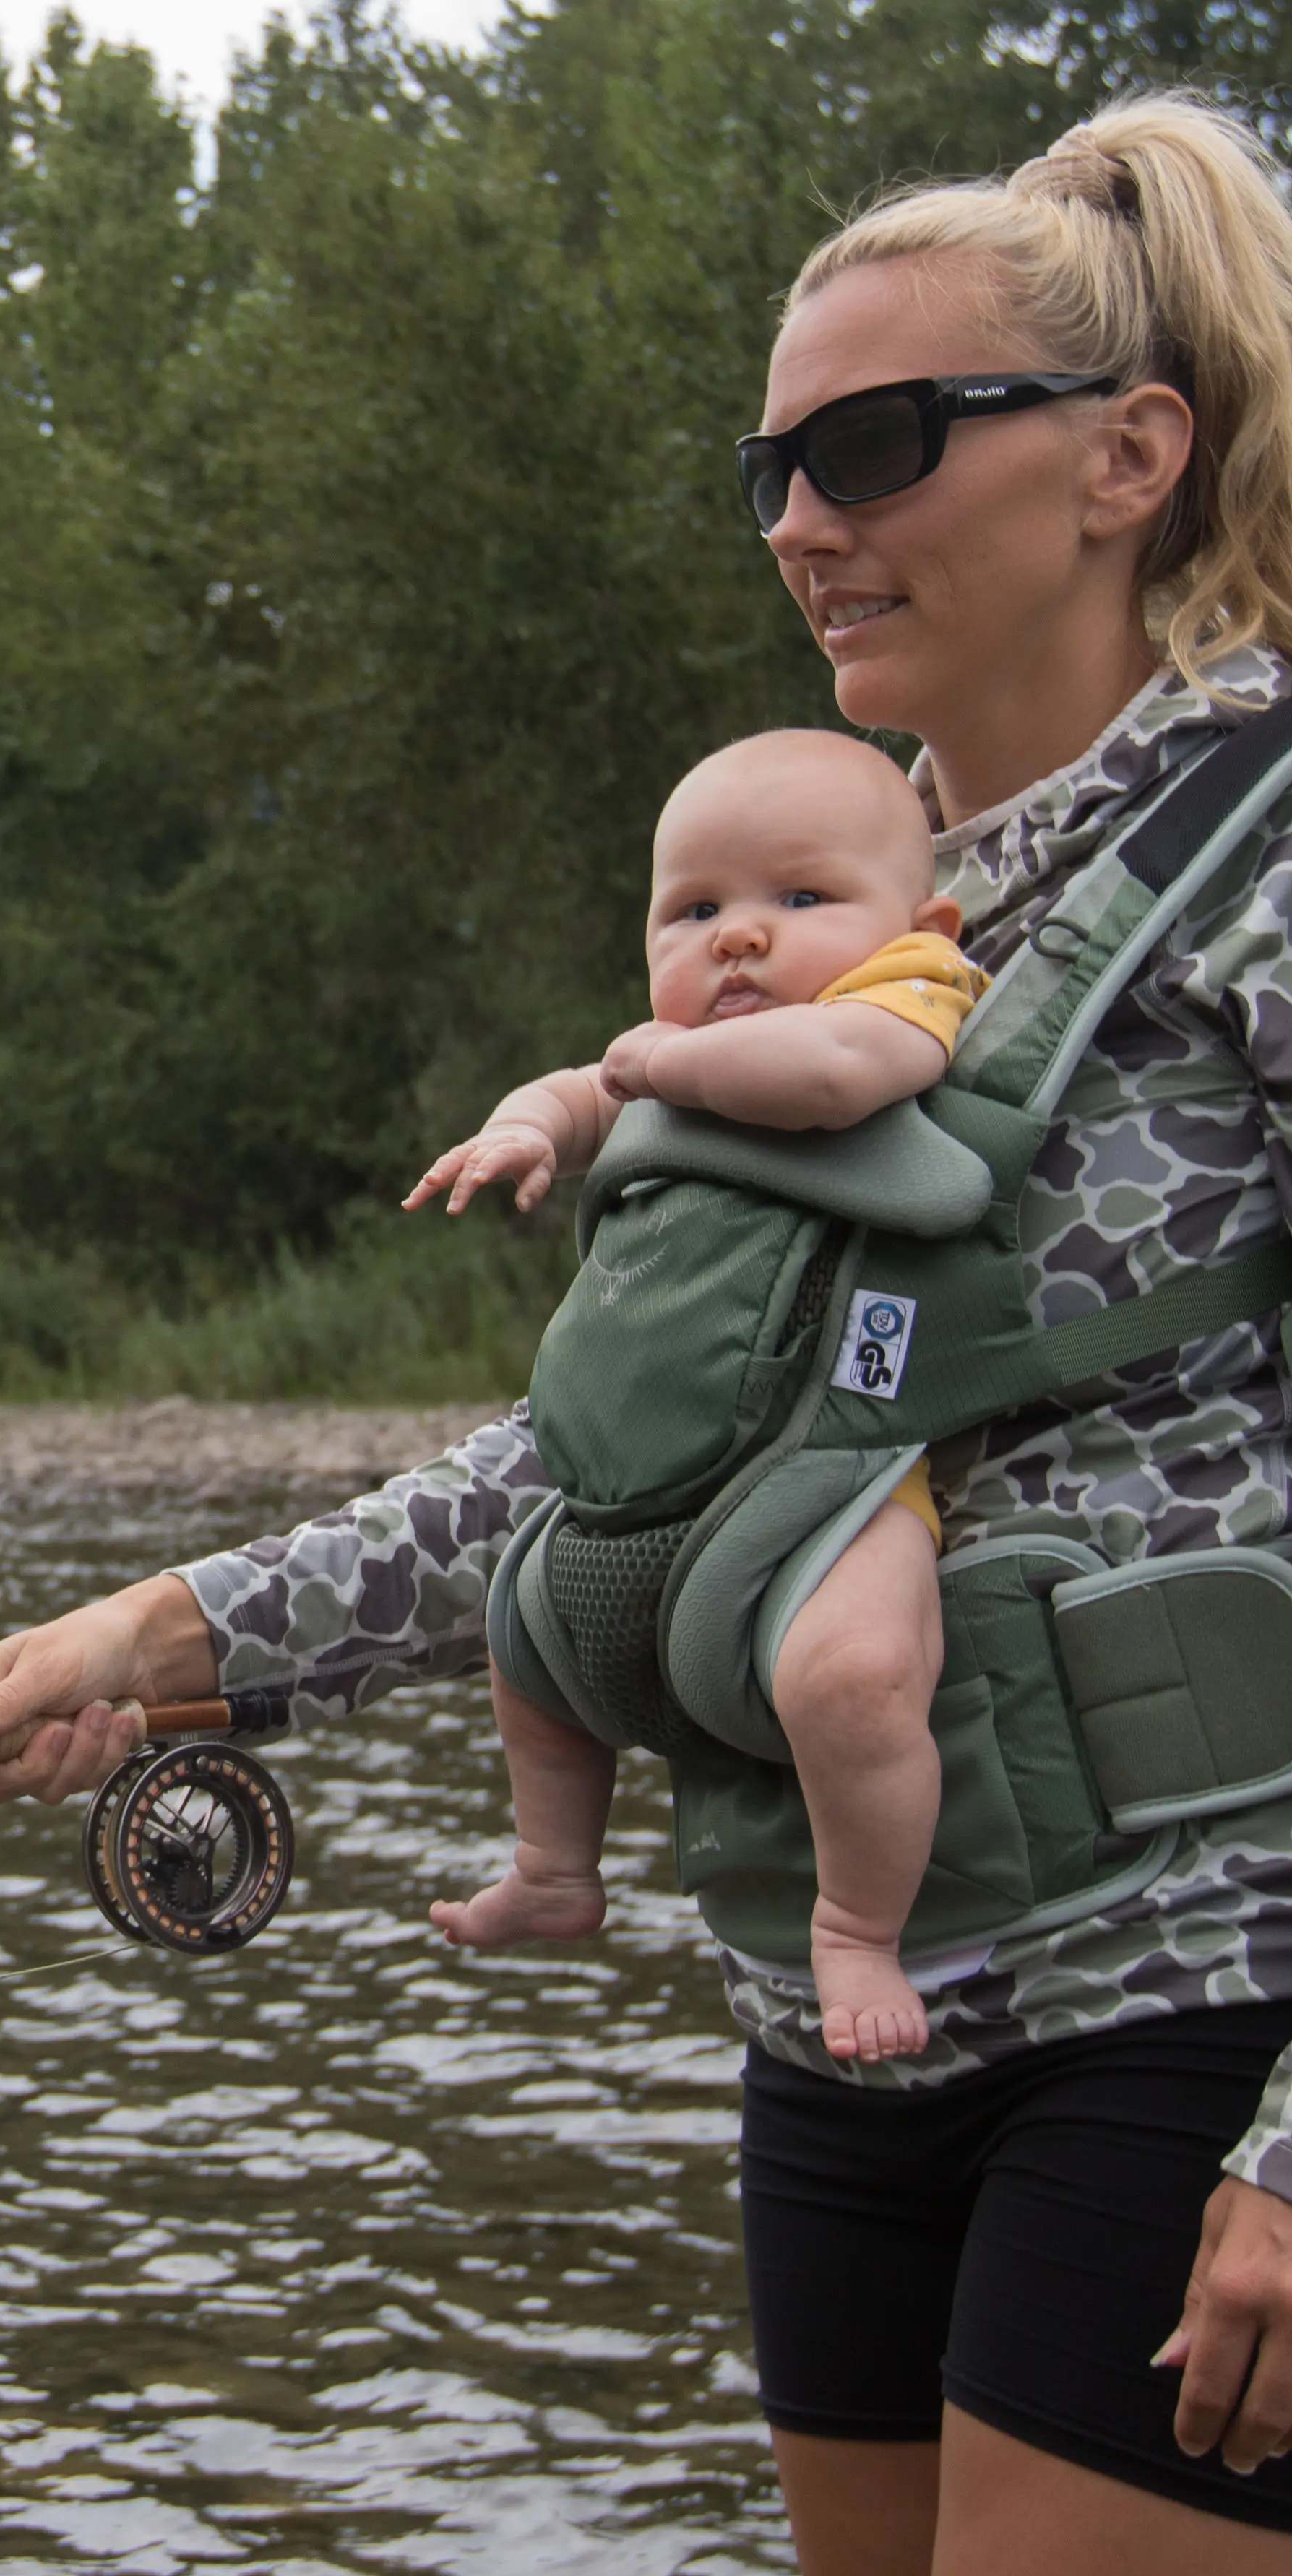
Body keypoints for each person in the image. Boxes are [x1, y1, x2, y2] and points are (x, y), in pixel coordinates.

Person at [0, 92, 1292, 2576]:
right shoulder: (868, 910)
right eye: (773, 464)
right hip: (843, 2052)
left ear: (1129, 457)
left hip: (1212, 2035)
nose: (797, 517)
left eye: (871, 447)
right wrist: (173, 1632)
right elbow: (635, 1454)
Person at [405, 727, 989, 2064]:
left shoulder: (904, 996)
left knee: (860, 1675)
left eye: (798, 900)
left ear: (921, 919)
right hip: (628, 1492)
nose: (740, 939)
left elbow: (839, 1081)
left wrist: (651, 1072)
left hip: (828, 1469)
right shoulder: (664, 1054)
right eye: (698, 910)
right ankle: (557, 1866)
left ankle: (854, 1926)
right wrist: (530, 1126)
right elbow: (579, 1085)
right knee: (524, 1636)